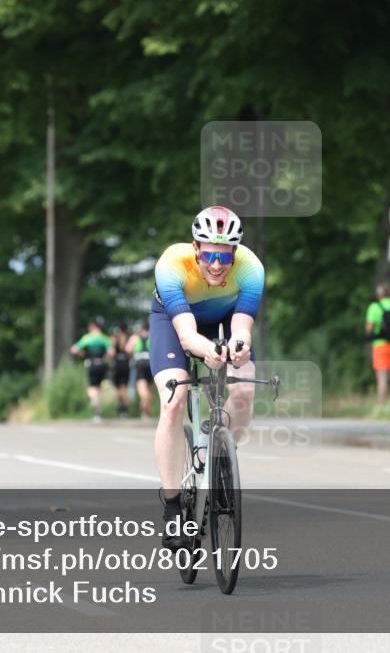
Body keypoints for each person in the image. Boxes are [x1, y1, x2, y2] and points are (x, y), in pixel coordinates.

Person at [151, 206, 264, 550]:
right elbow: (186, 335)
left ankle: (222, 455)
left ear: (235, 254)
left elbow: (242, 326)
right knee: (173, 403)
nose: (217, 264)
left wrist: (239, 347)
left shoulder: (251, 268)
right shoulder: (171, 265)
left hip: (224, 318)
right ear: (196, 248)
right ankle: (172, 507)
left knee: (244, 388)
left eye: (225, 256)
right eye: (210, 254)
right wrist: (208, 351)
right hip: (175, 322)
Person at [364, 284, 390, 404]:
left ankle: (382, 407)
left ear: (378, 294)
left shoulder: (374, 307)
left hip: (380, 345)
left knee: (382, 378)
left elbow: (370, 328)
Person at [70, 319, 113, 423]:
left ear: (92, 327)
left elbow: (73, 349)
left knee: (91, 388)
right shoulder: (104, 338)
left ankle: (94, 401)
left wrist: (82, 353)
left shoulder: (87, 338)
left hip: (91, 364)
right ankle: (98, 415)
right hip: (102, 365)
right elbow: (111, 353)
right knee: (98, 389)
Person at [127, 324, 153, 420]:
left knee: (142, 391)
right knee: (149, 388)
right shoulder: (152, 335)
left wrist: (133, 354)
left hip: (139, 363)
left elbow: (128, 349)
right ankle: (147, 412)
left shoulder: (135, 337)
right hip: (150, 363)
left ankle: (144, 412)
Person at [110, 323, 132, 418]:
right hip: (126, 364)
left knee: (117, 386)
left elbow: (111, 353)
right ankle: (125, 410)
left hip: (117, 364)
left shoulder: (115, 338)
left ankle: (120, 404)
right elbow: (130, 352)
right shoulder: (129, 338)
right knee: (125, 387)